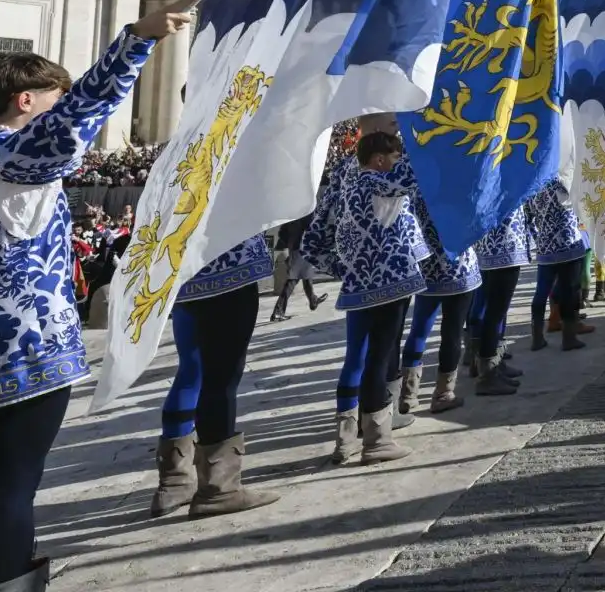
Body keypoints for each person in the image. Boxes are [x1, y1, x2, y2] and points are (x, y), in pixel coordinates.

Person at [0, 0, 194, 592]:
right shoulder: (17, 161)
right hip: (22, 356)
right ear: (25, 102)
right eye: (52, 100)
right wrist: (139, 38)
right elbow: (81, 115)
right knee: (10, 489)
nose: (59, 110)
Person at [300, 130, 429, 467]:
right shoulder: (376, 181)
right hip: (390, 283)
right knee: (379, 358)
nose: (397, 163)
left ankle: (344, 442)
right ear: (380, 159)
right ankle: (376, 440)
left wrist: (342, 269)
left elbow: (314, 238)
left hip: (357, 287)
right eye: (395, 157)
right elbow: (417, 174)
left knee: (354, 359)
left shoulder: (347, 185)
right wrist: (420, 132)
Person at [150, 233, 278, 519]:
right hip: (229, 265)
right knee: (221, 377)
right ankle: (218, 488)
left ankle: (174, 481)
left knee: (191, 369)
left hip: (184, 265)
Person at [395, 189, 483, 415]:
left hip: (427, 270)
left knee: (419, 331)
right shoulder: (461, 189)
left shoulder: (416, 187)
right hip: (460, 270)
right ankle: (443, 394)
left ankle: (408, 395)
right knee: (451, 333)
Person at [523, 178, 592, 351]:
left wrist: (538, 238)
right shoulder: (566, 183)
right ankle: (569, 339)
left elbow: (527, 218)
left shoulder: (533, 186)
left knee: (541, 292)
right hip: (569, 245)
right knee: (570, 292)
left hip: (545, 248)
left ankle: (537, 339)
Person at [464, 205, 527, 391]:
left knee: (491, 311)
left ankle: (491, 365)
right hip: (505, 245)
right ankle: (488, 375)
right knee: (495, 313)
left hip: (489, 244)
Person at [268, 210, 326, 322]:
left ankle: (313, 300)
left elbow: (283, 232)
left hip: (295, 247)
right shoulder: (307, 210)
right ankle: (278, 312)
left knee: (306, 274)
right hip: (303, 247)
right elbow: (312, 228)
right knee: (292, 280)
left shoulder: (293, 211)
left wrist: (285, 246)